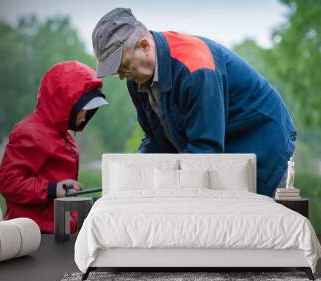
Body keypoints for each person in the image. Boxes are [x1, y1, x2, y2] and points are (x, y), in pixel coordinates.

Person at [92, 8, 296, 197]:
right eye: (118, 72)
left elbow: (206, 152)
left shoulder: (196, 67)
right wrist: (134, 173)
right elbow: (156, 140)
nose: (122, 77)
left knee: (252, 226)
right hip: (217, 151)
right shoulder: (136, 79)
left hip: (262, 143)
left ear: (145, 46)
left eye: (125, 67)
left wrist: (166, 182)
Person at [0, 61, 108, 233]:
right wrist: (52, 188)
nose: (85, 117)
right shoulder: (30, 133)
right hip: (33, 233)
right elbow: (8, 182)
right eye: (84, 109)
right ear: (65, 102)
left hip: (56, 228)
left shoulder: (62, 133)